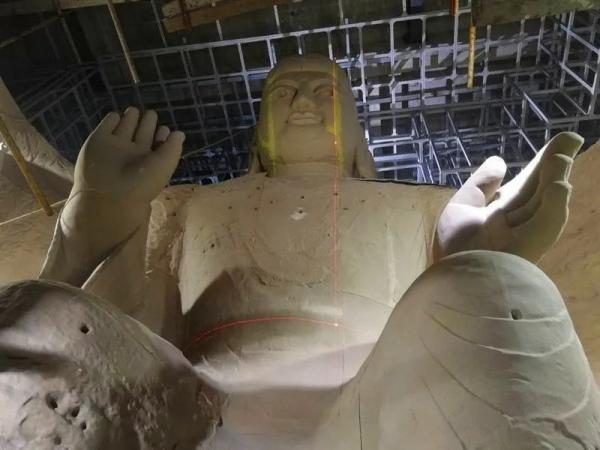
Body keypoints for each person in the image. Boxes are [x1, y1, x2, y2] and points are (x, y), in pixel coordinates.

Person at [1, 54, 598, 449]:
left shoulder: (419, 205)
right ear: (258, 130)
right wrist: (92, 224)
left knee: (505, 288)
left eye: (323, 91)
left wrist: (480, 256)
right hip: (197, 400)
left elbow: (453, 316)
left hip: (383, 397)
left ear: (357, 129)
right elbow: (119, 324)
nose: (303, 101)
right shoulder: (191, 204)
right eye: (283, 92)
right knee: (33, 313)